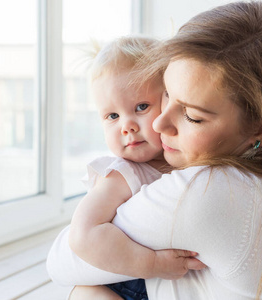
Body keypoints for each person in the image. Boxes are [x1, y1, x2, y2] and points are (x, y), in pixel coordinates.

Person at [47, 2, 262, 299]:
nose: (158, 124)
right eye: (166, 94)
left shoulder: (211, 191)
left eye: (192, 115)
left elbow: (62, 260)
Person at [53, 36, 205, 300]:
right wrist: (153, 264)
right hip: (121, 283)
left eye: (141, 107)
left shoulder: (184, 162)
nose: (127, 126)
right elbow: (83, 235)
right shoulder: (122, 174)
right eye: (113, 116)